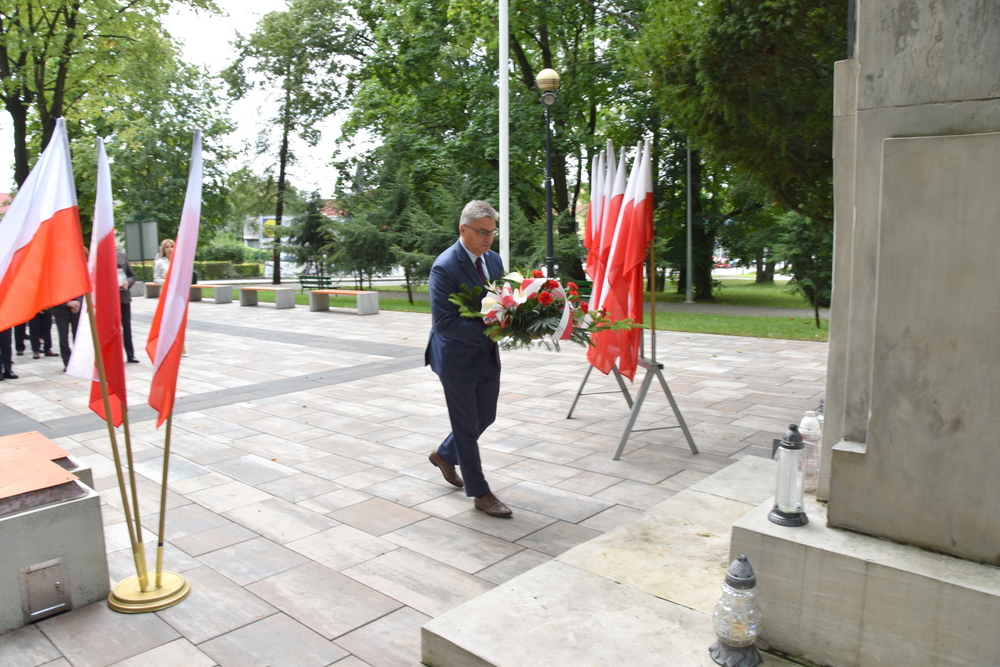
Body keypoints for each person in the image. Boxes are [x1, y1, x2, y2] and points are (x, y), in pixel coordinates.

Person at [424, 200, 511, 518]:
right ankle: (481, 494)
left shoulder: (494, 260)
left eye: (492, 232)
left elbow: (502, 301)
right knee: (465, 426)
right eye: (482, 232)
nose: (488, 238)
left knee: (484, 417)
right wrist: (491, 331)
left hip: (487, 354)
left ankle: (444, 455)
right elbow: (445, 323)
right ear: (463, 230)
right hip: (456, 357)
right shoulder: (445, 266)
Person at [117, 247, 139, 363]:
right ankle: (114, 356)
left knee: (127, 327)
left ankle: (130, 355)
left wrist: (128, 282)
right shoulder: (98, 256)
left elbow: (132, 276)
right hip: (109, 300)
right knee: (113, 329)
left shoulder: (122, 256)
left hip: (124, 298)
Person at [51, 297, 82, 370]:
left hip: (76, 307)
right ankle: (67, 363)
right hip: (60, 308)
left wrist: (77, 303)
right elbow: (53, 290)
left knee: (78, 337)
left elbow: (81, 288)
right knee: (63, 337)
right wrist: (66, 303)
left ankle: (78, 361)